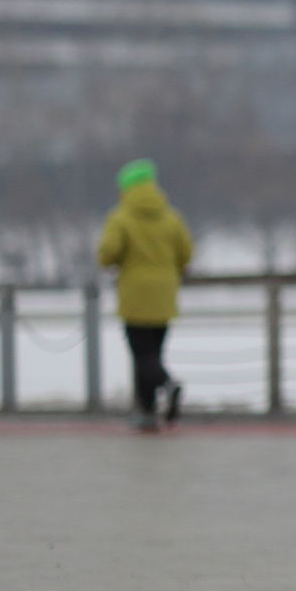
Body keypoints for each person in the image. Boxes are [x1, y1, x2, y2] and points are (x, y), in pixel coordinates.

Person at [96, 158, 194, 434]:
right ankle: (148, 410)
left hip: (135, 295)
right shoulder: (171, 216)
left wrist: (117, 262)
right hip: (165, 295)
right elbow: (186, 251)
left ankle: (163, 389)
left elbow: (107, 253)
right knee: (154, 352)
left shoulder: (121, 217)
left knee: (142, 356)